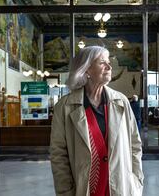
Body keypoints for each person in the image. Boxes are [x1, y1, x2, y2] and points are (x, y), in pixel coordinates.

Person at [50, 46, 143, 196]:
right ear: (86, 70)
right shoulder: (64, 107)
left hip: (120, 187)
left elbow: (135, 144)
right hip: (85, 189)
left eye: (108, 62)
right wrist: (65, 191)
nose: (109, 66)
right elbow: (58, 154)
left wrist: (136, 181)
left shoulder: (122, 101)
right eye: (102, 63)